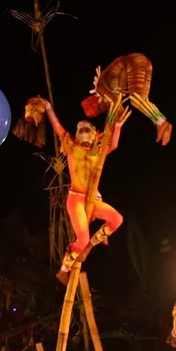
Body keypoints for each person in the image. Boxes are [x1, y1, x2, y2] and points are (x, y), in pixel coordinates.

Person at [38, 96, 130, 283]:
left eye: (87, 130)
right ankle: (63, 270)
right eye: (80, 130)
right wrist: (48, 109)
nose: (83, 133)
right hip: (76, 199)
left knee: (117, 219)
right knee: (81, 238)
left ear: (95, 134)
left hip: (93, 199)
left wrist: (118, 125)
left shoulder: (98, 152)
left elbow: (112, 144)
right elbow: (58, 129)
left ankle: (89, 247)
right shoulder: (72, 148)